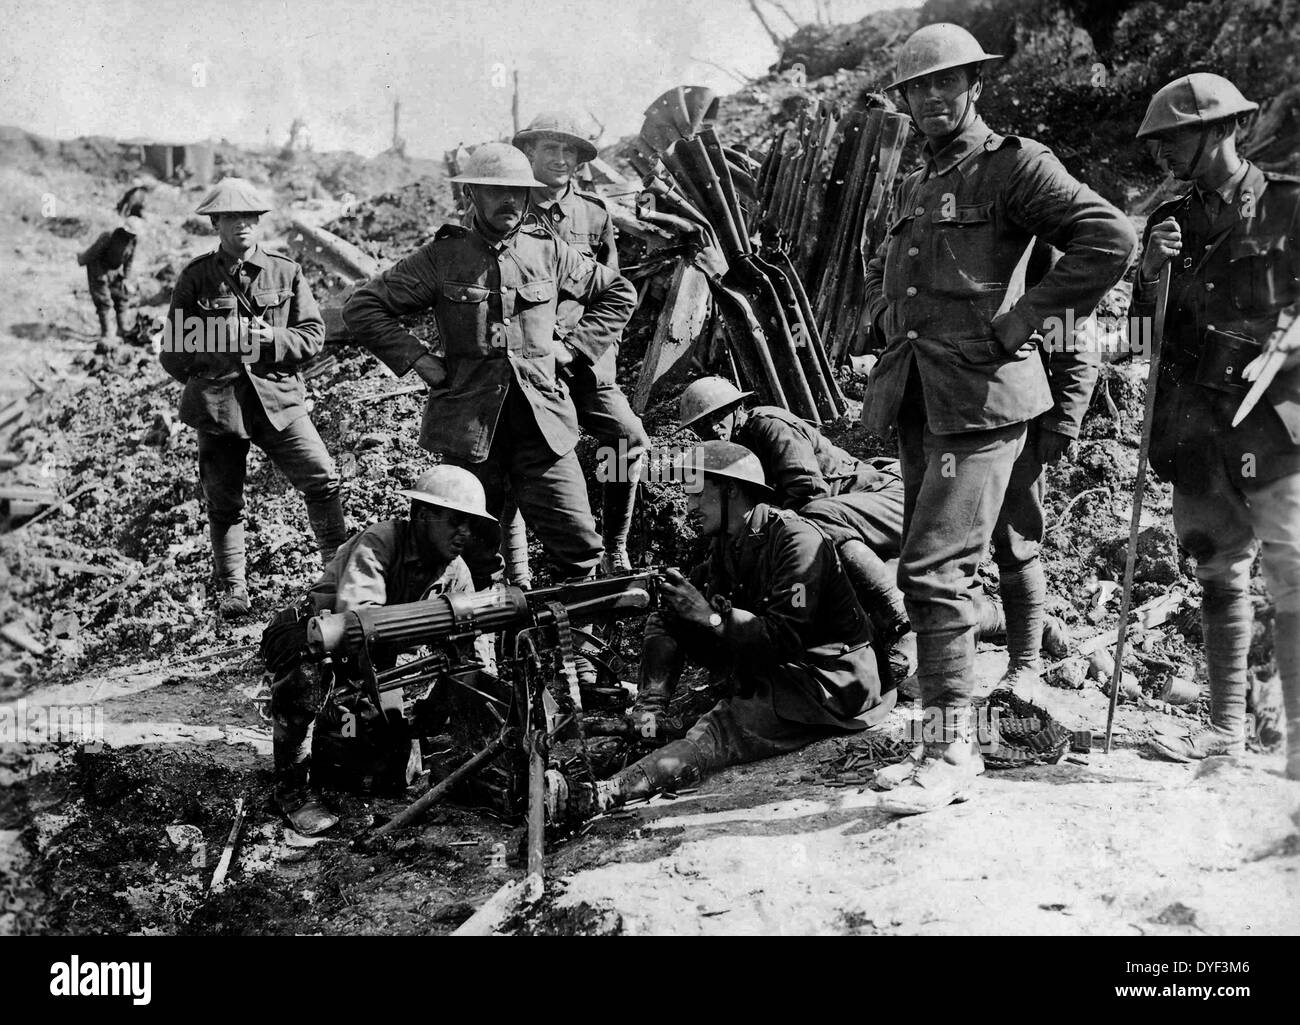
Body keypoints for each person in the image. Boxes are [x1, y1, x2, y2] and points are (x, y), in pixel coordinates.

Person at [860, 23, 1136, 813]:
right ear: (906, 100)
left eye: (950, 82)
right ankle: (934, 736)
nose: (936, 97)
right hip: (924, 396)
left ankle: (950, 749)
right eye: (921, 87)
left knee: (935, 572)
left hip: (981, 402)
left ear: (976, 85)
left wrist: (1021, 323)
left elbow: (1108, 238)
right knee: (932, 563)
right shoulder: (923, 177)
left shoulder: (1013, 165)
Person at [546, 441, 895, 823]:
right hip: (773, 665)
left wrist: (710, 618)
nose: (689, 507)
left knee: (717, 730)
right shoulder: (727, 546)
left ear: (731, 490)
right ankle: (651, 715)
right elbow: (691, 611)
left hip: (825, 680)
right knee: (669, 615)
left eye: (697, 494)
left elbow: (782, 638)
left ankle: (600, 796)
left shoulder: (797, 541)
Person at [343, 143, 637, 590]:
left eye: (518, 193)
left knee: (579, 549)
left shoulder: (547, 251)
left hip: (544, 430)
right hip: (471, 435)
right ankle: (488, 657)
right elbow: (364, 308)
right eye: (496, 191)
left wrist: (573, 349)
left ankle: (574, 655)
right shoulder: (442, 259)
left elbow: (619, 293)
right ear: (471, 196)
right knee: (477, 561)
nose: (509, 201)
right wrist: (420, 360)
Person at [1132, 73, 1300, 777]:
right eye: (1161, 140)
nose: (1166, 151)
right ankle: (1225, 732)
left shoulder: (1290, 204)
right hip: (1195, 428)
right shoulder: (1168, 221)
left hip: (1274, 421)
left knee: (1293, 574)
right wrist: (1149, 276)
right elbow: (1142, 342)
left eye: (1176, 137)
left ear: (1223, 129)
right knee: (1219, 575)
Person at [260, 466, 500, 834]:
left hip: (374, 656)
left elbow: (471, 655)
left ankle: (333, 730)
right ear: (422, 515)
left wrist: (435, 710)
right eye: (455, 521)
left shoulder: (456, 572)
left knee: (390, 772)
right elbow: (358, 619)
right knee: (310, 674)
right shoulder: (381, 540)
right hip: (313, 635)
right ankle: (291, 790)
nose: (464, 533)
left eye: (470, 524)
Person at [160, 178, 348, 619]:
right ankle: (234, 592)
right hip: (219, 404)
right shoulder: (196, 277)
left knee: (323, 479)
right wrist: (215, 358)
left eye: (250, 217)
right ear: (216, 223)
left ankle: (338, 573)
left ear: (259, 222)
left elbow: (313, 335)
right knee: (223, 502)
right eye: (232, 217)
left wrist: (273, 341)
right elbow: (172, 353)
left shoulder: (286, 271)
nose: (242, 225)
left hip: (277, 399)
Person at [490, 111, 651, 584]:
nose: (560, 160)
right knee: (513, 453)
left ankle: (615, 549)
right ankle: (516, 571)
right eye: (550, 150)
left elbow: (614, 291)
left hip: (582, 357)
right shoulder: (506, 206)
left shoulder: (595, 214)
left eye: (569, 152)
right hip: (524, 360)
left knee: (628, 439)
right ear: (529, 155)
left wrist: (588, 350)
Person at [78, 216, 141, 339]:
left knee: (122, 296)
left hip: (114, 270)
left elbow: (129, 261)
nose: (132, 236)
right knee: (103, 301)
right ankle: (106, 332)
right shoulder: (110, 236)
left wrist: (126, 278)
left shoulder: (133, 241)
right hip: (98, 268)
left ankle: (122, 328)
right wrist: (82, 259)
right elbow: (93, 252)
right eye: (130, 233)